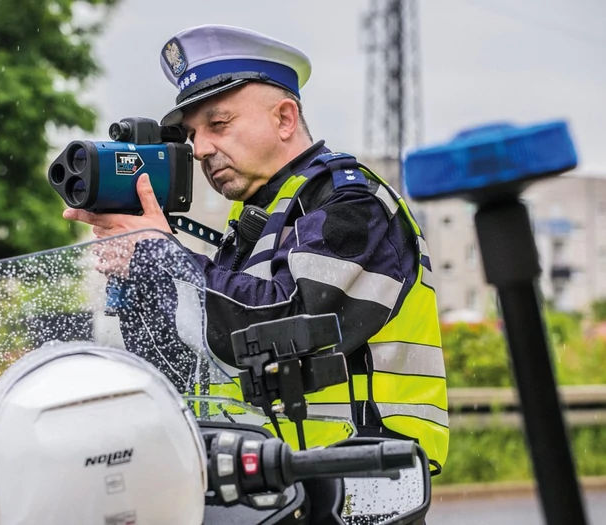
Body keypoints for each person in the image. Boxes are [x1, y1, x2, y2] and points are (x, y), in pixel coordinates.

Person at [63, 24, 449, 473]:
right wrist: (140, 275)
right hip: (269, 484)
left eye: (218, 124)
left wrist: (160, 253)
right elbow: (193, 364)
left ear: (284, 118)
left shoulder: (353, 204)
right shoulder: (249, 225)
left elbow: (287, 325)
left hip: (361, 481)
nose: (201, 148)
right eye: (192, 134)